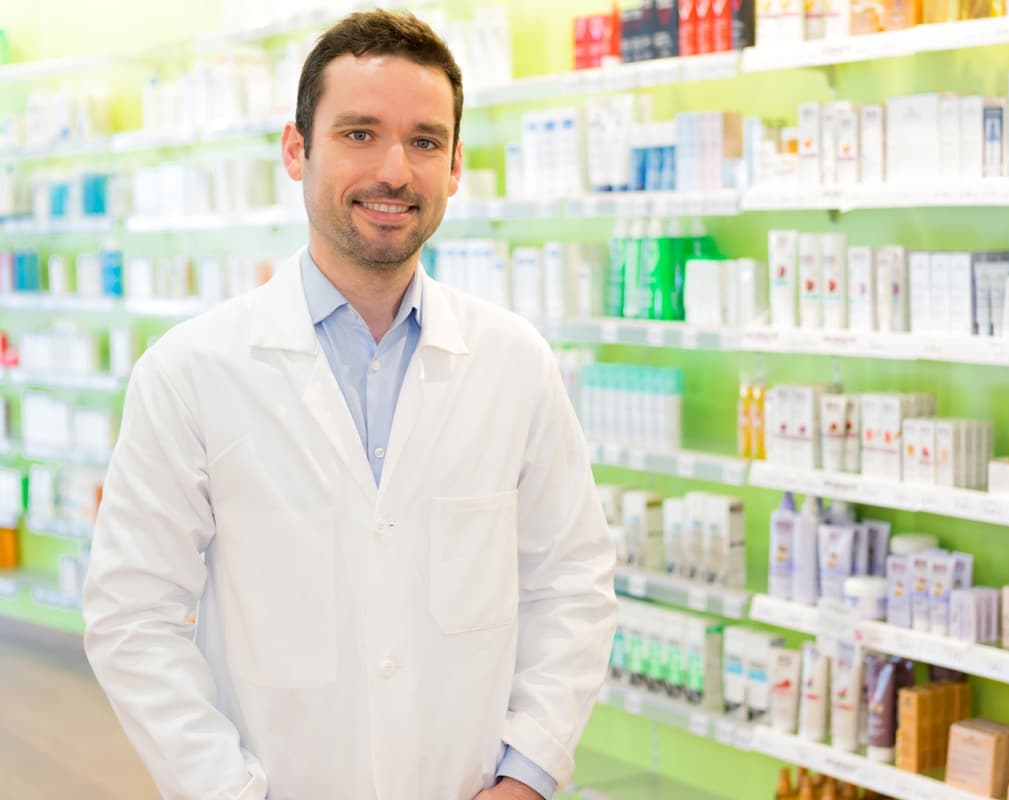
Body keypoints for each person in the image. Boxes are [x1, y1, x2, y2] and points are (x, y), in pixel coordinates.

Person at [82, 10, 618, 800]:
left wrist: (527, 774)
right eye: (359, 134)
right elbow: (133, 617)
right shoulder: (190, 372)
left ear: (457, 165)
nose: (395, 170)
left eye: (425, 141)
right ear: (297, 150)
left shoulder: (514, 364)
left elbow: (571, 583)